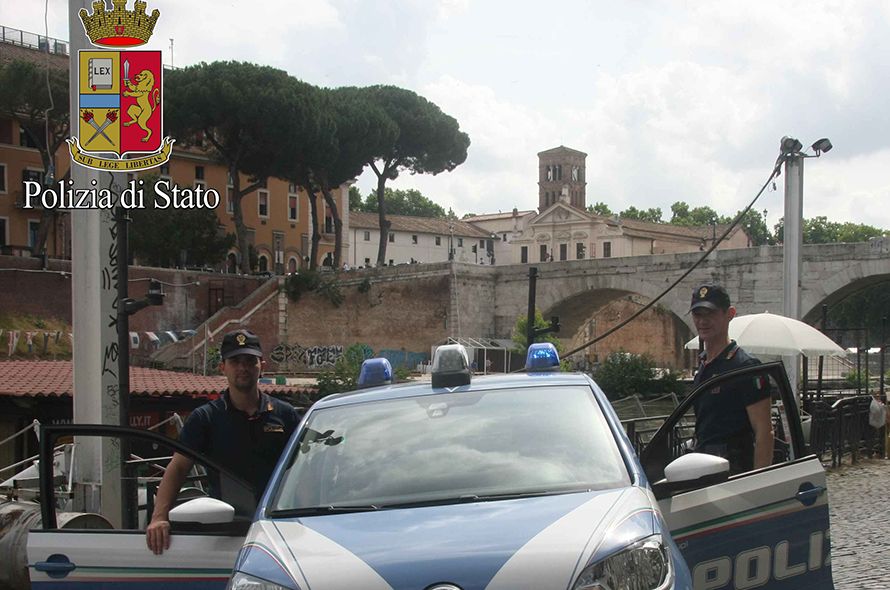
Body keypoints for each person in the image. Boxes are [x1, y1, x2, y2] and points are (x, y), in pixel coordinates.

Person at [145, 329, 300, 555]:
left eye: (250, 361)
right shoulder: (206, 418)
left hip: (280, 528)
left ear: (262, 366)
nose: (243, 368)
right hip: (226, 532)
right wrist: (159, 517)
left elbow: (307, 468)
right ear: (223, 368)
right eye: (235, 361)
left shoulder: (285, 415)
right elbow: (178, 468)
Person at [689, 283, 774, 474]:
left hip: (734, 473)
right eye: (698, 315)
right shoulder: (704, 365)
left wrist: (758, 482)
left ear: (730, 314)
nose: (703, 321)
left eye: (710, 314)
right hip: (705, 468)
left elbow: (764, 432)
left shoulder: (745, 367)